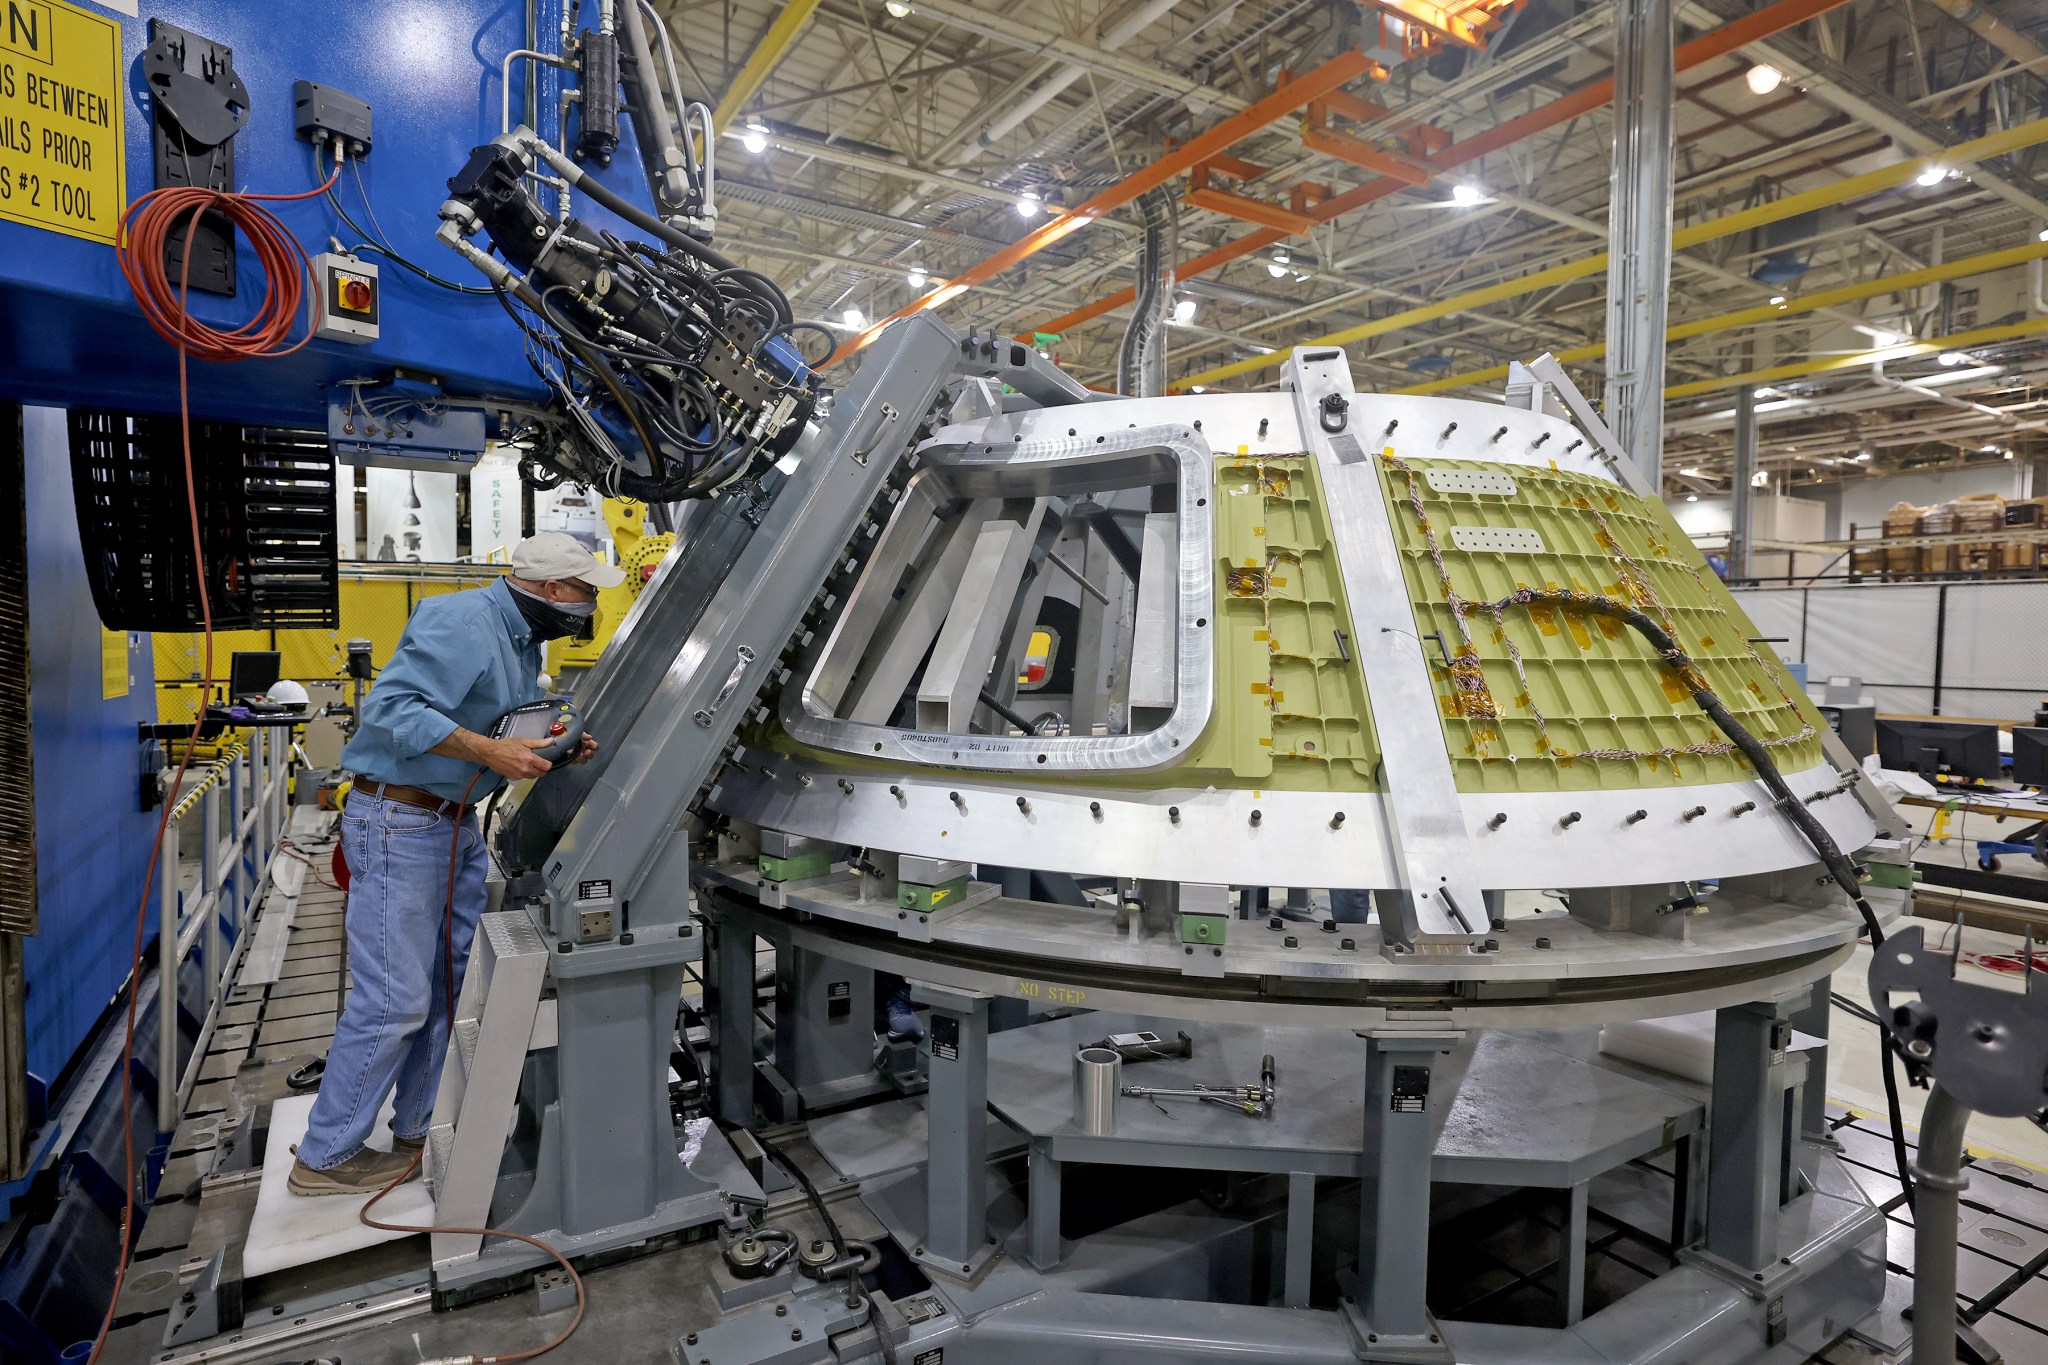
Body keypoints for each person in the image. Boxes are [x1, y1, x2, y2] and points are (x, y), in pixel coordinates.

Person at [289, 532, 622, 1196]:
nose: (589, 606)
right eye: (586, 593)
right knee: (394, 998)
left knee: (448, 988)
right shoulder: (463, 620)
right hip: (401, 825)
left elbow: (493, 728)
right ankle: (324, 1155)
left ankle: (417, 1123)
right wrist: (492, 754)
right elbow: (391, 710)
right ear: (552, 590)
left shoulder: (523, 642)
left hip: (451, 827)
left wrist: (551, 747)